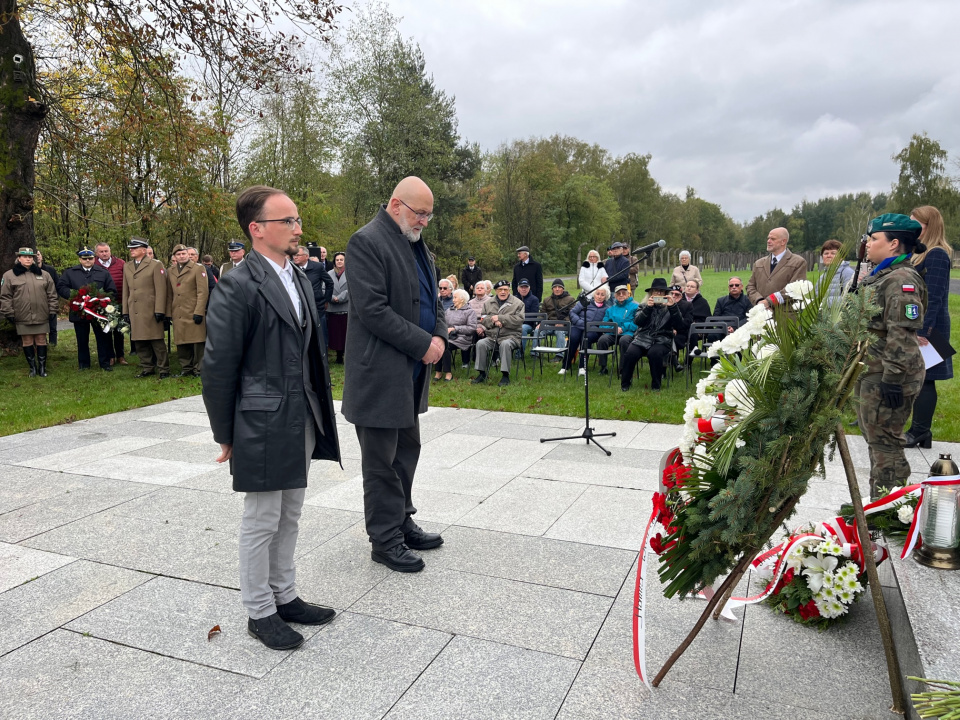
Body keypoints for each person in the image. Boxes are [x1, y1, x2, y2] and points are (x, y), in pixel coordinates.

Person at [203, 185, 340, 651]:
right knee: (262, 518)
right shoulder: (239, 285)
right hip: (260, 420)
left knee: (291, 514)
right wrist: (226, 433)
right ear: (256, 229)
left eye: (297, 220)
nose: (298, 228)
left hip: (302, 414)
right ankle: (259, 610)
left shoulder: (298, 276)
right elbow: (219, 366)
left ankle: (285, 595)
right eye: (288, 222)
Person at [342, 176, 447, 573]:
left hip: (410, 374)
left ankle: (401, 521)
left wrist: (438, 334)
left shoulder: (418, 245)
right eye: (419, 213)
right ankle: (384, 540)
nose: (423, 221)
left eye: (428, 215)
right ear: (395, 204)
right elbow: (373, 310)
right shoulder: (367, 241)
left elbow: (432, 298)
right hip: (379, 375)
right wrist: (424, 343)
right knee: (381, 462)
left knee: (406, 451)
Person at [857, 213, 927, 499]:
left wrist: (893, 379)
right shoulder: (883, 275)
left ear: (894, 243)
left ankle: (891, 510)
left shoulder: (901, 279)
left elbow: (902, 332)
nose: (868, 244)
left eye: (874, 239)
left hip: (889, 374)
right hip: (874, 370)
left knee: (886, 444)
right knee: (877, 442)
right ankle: (880, 504)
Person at [905, 205, 953, 449]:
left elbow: (934, 297)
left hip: (931, 327)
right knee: (919, 378)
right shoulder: (920, 253)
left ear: (929, 225)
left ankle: (920, 431)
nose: (912, 227)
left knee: (925, 379)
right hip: (924, 325)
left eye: (916, 223)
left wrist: (923, 332)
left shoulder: (937, 254)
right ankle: (920, 432)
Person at [57, 245, 117, 371]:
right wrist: (74, 296)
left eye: (90, 258)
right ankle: (84, 365)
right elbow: (61, 287)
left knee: (102, 338)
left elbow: (111, 290)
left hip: (98, 311)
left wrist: (102, 299)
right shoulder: (70, 273)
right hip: (79, 311)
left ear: (94, 259)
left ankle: (104, 363)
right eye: (84, 259)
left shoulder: (103, 273)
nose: (87, 261)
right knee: (82, 339)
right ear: (80, 260)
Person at [620, 278, 685, 392]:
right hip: (642, 338)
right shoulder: (644, 305)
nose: (658, 293)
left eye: (661, 291)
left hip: (662, 339)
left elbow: (680, 325)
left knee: (654, 353)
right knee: (630, 353)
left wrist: (673, 307)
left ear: (666, 293)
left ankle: (656, 384)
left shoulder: (671, 307)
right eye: (656, 291)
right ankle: (625, 382)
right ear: (651, 293)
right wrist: (648, 309)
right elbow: (637, 322)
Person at [1, 247, 58, 377]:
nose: (28, 259)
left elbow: (52, 294)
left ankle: (42, 368)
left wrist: (53, 309)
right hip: (22, 315)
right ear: (19, 258)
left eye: (30, 257)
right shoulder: (9, 275)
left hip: (41, 314)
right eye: (25, 256)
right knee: (27, 341)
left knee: (41, 340)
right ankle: (32, 368)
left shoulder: (43, 274)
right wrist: (8, 312)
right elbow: (5, 296)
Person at [122, 237, 170, 378]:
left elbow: (161, 289)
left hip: (151, 309)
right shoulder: (127, 266)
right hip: (135, 309)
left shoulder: (155, 265)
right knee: (139, 341)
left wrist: (160, 310)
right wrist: (125, 311)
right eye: (131, 248)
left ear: (143, 250)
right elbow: (126, 290)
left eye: (134, 248)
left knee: (156, 341)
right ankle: (147, 367)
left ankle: (163, 369)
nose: (131, 250)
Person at [166, 243, 208, 377]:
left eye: (183, 253)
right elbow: (169, 293)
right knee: (181, 341)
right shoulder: (170, 271)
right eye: (178, 254)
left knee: (197, 342)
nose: (181, 256)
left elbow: (203, 292)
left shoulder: (198, 268)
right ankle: (186, 368)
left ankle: (199, 369)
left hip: (193, 311)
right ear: (174, 257)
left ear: (188, 254)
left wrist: (199, 311)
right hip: (178, 311)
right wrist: (168, 313)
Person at [473, 279, 524, 386]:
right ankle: (482, 373)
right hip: (492, 336)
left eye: (505, 289)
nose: (503, 292)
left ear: (509, 290)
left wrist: (501, 319)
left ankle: (505, 376)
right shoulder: (488, 303)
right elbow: (483, 319)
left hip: (511, 336)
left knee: (505, 344)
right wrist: (494, 321)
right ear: (496, 291)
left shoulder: (518, 303)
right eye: (500, 289)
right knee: (480, 343)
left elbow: (519, 320)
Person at [746, 227, 808, 310]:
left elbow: (794, 289)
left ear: (783, 241)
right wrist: (759, 300)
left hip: (785, 316)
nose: (768, 241)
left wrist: (769, 301)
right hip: (762, 315)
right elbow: (750, 286)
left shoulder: (798, 262)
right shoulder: (759, 263)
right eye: (768, 238)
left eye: (773, 239)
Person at [562, 286, 610, 377]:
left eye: (602, 295)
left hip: (593, 330)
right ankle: (565, 366)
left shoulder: (607, 309)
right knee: (573, 337)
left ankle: (582, 367)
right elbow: (572, 312)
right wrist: (580, 322)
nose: (599, 296)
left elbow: (606, 322)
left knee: (585, 338)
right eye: (597, 294)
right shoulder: (585, 303)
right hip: (578, 325)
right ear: (594, 294)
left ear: (606, 297)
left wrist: (592, 326)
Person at [94, 242, 128, 366]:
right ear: (97, 253)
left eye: (106, 251)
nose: (104, 254)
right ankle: (110, 356)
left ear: (110, 251)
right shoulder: (94, 264)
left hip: (119, 302)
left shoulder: (121, 263)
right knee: (106, 331)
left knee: (119, 331)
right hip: (102, 305)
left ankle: (121, 355)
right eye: (101, 252)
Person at [294, 245, 333, 352]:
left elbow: (329, 283)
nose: (295, 257)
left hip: (317, 306)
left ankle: (323, 354)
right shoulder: (292, 267)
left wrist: (326, 300)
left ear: (306, 256)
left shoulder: (318, 267)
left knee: (320, 333)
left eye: (298, 255)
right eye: (294, 255)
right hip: (300, 306)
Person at [596, 285, 639, 375]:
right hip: (613, 333)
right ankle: (603, 367)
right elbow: (603, 325)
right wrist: (614, 329)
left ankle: (623, 369)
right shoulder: (610, 309)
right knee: (602, 340)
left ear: (628, 294)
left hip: (628, 333)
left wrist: (623, 328)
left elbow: (636, 324)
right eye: (618, 293)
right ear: (615, 296)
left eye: (624, 293)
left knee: (624, 341)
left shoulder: (635, 307)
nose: (621, 295)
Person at [436, 289, 476, 381]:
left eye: (455, 297)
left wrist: (455, 328)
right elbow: (443, 322)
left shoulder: (470, 312)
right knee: (438, 344)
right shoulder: (449, 310)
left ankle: (448, 373)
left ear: (462, 299)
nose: (453, 300)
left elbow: (472, 328)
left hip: (463, 338)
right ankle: (438, 372)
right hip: (449, 336)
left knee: (445, 346)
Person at [535, 278, 575, 361]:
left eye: (559, 287)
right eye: (555, 287)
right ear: (552, 289)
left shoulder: (570, 299)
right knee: (537, 330)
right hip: (549, 324)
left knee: (560, 332)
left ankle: (559, 355)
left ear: (563, 289)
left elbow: (572, 314)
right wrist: (540, 323)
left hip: (563, 324)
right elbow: (542, 314)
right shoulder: (547, 300)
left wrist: (564, 323)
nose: (557, 289)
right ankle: (535, 353)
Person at [326, 251, 348, 364]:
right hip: (333, 308)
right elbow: (323, 288)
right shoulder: (329, 273)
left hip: (346, 307)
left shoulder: (351, 273)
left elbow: (352, 289)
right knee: (335, 333)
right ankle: (338, 356)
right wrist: (332, 297)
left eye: (341, 260)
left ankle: (345, 355)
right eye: (337, 260)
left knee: (345, 333)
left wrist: (340, 298)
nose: (339, 262)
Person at [818, 240, 855, 304]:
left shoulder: (847, 273)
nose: (829, 256)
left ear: (841, 257)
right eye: (826, 253)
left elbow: (850, 298)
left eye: (833, 253)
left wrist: (824, 302)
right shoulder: (822, 278)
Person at [35, 251, 59, 346]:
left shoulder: (50, 270)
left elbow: (58, 285)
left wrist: (55, 299)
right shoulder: (29, 271)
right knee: (40, 327)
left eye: (38, 254)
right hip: (38, 304)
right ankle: (41, 345)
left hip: (50, 303)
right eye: (35, 255)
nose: (37, 257)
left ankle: (53, 346)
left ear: (41, 256)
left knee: (52, 327)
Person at [515, 278, 540, 358]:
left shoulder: (534, 299)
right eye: (522, 287)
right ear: (518, 289)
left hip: (528, 325)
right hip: (513, 323)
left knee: (523, 328)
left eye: (526, 287)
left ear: (529, 288)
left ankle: (519, 353)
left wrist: (519, 319)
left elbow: (533, 316)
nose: (523, 289)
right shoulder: (513, 299)